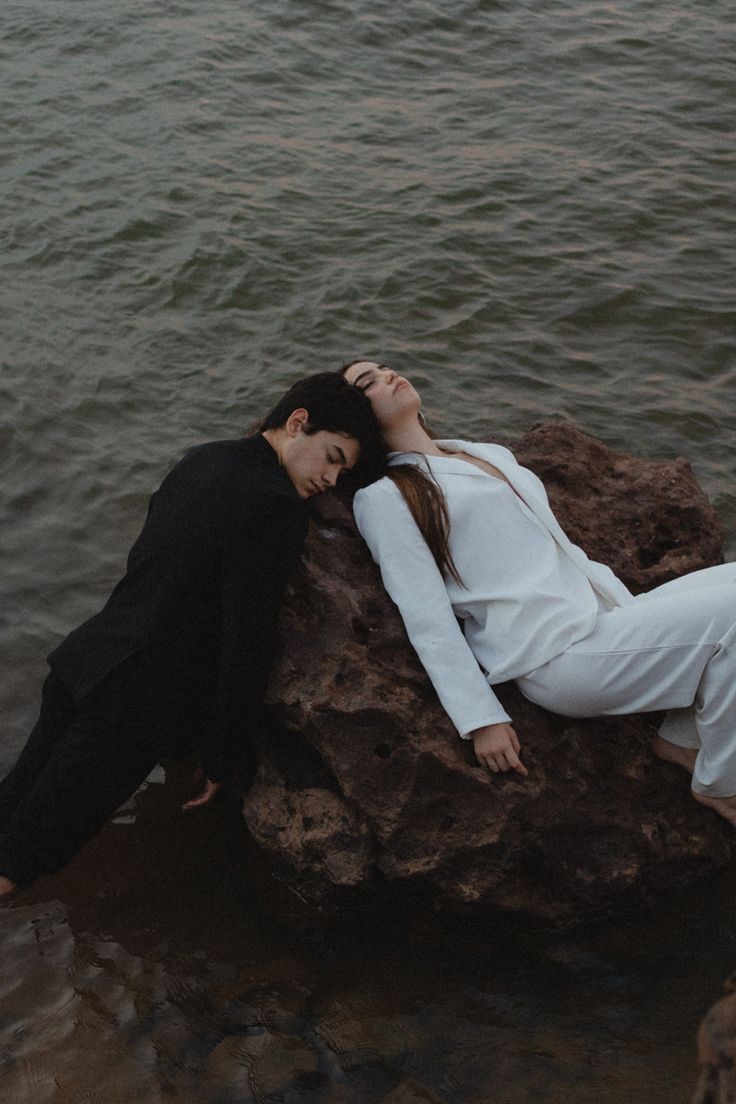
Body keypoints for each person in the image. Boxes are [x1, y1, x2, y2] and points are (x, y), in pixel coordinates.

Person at [0, 372, 385, 900]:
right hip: (132, 707)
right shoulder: (276, 508)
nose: (332, 479)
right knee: (26, 853)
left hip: (84, 660)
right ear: (298, 423)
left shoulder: (203, 458)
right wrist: (221, 754)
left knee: (12, 806)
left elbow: (146, 562)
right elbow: (246, 640)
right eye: (334, 457)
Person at [342, 359, 736, 828]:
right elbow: (424, 613)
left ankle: (683, 739)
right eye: (370, 383)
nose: (388, 376)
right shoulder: (386, 497)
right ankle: (720, 782)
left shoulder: (482, 453)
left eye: (386, 368)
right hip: (558, 656)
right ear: (357, 420)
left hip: (607, 617)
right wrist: (481, 718)